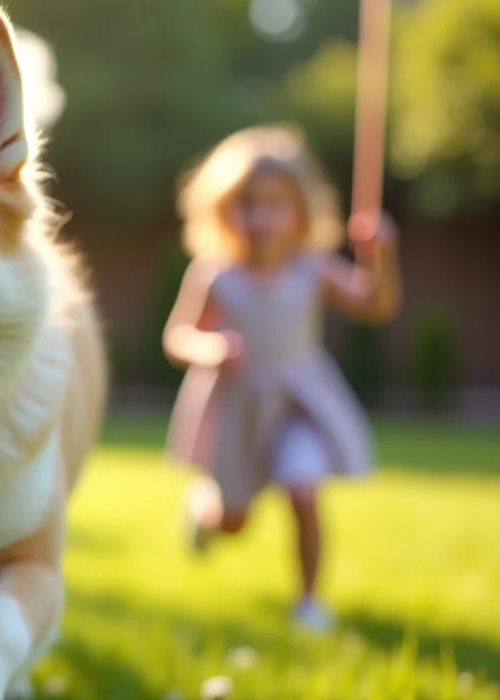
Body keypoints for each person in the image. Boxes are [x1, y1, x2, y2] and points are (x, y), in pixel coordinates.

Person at [163, 124, 402, 631]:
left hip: (299, 403)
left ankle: (310, 601)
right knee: (234, 522)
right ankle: (205, 512)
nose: (262, 217)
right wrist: (211, 346)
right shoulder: (215, 273)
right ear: (222, 209)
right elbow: (177, 335)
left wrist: (381, 253)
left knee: (303, 490)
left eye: (276, 203)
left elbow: (374, 304)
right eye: (247, 204)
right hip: (239, 408)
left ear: (301, 210)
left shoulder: (312, 267)